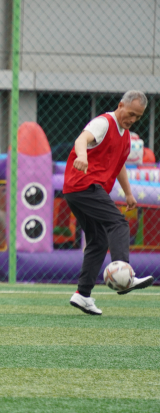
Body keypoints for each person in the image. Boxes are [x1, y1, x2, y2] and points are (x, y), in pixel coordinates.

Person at [64, 90, 155, 315]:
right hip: (84, 185)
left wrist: (128, 193)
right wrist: (82, 156)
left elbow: (119, 164)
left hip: (78, 190)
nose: (133, 119)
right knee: (118, 223)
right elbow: (81, 139)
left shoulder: (125, 135)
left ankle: (82, 295)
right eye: (131, 113)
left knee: (98, 240)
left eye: (138, 117)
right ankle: (125, 275)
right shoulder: (104, 123)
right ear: (121, 105)